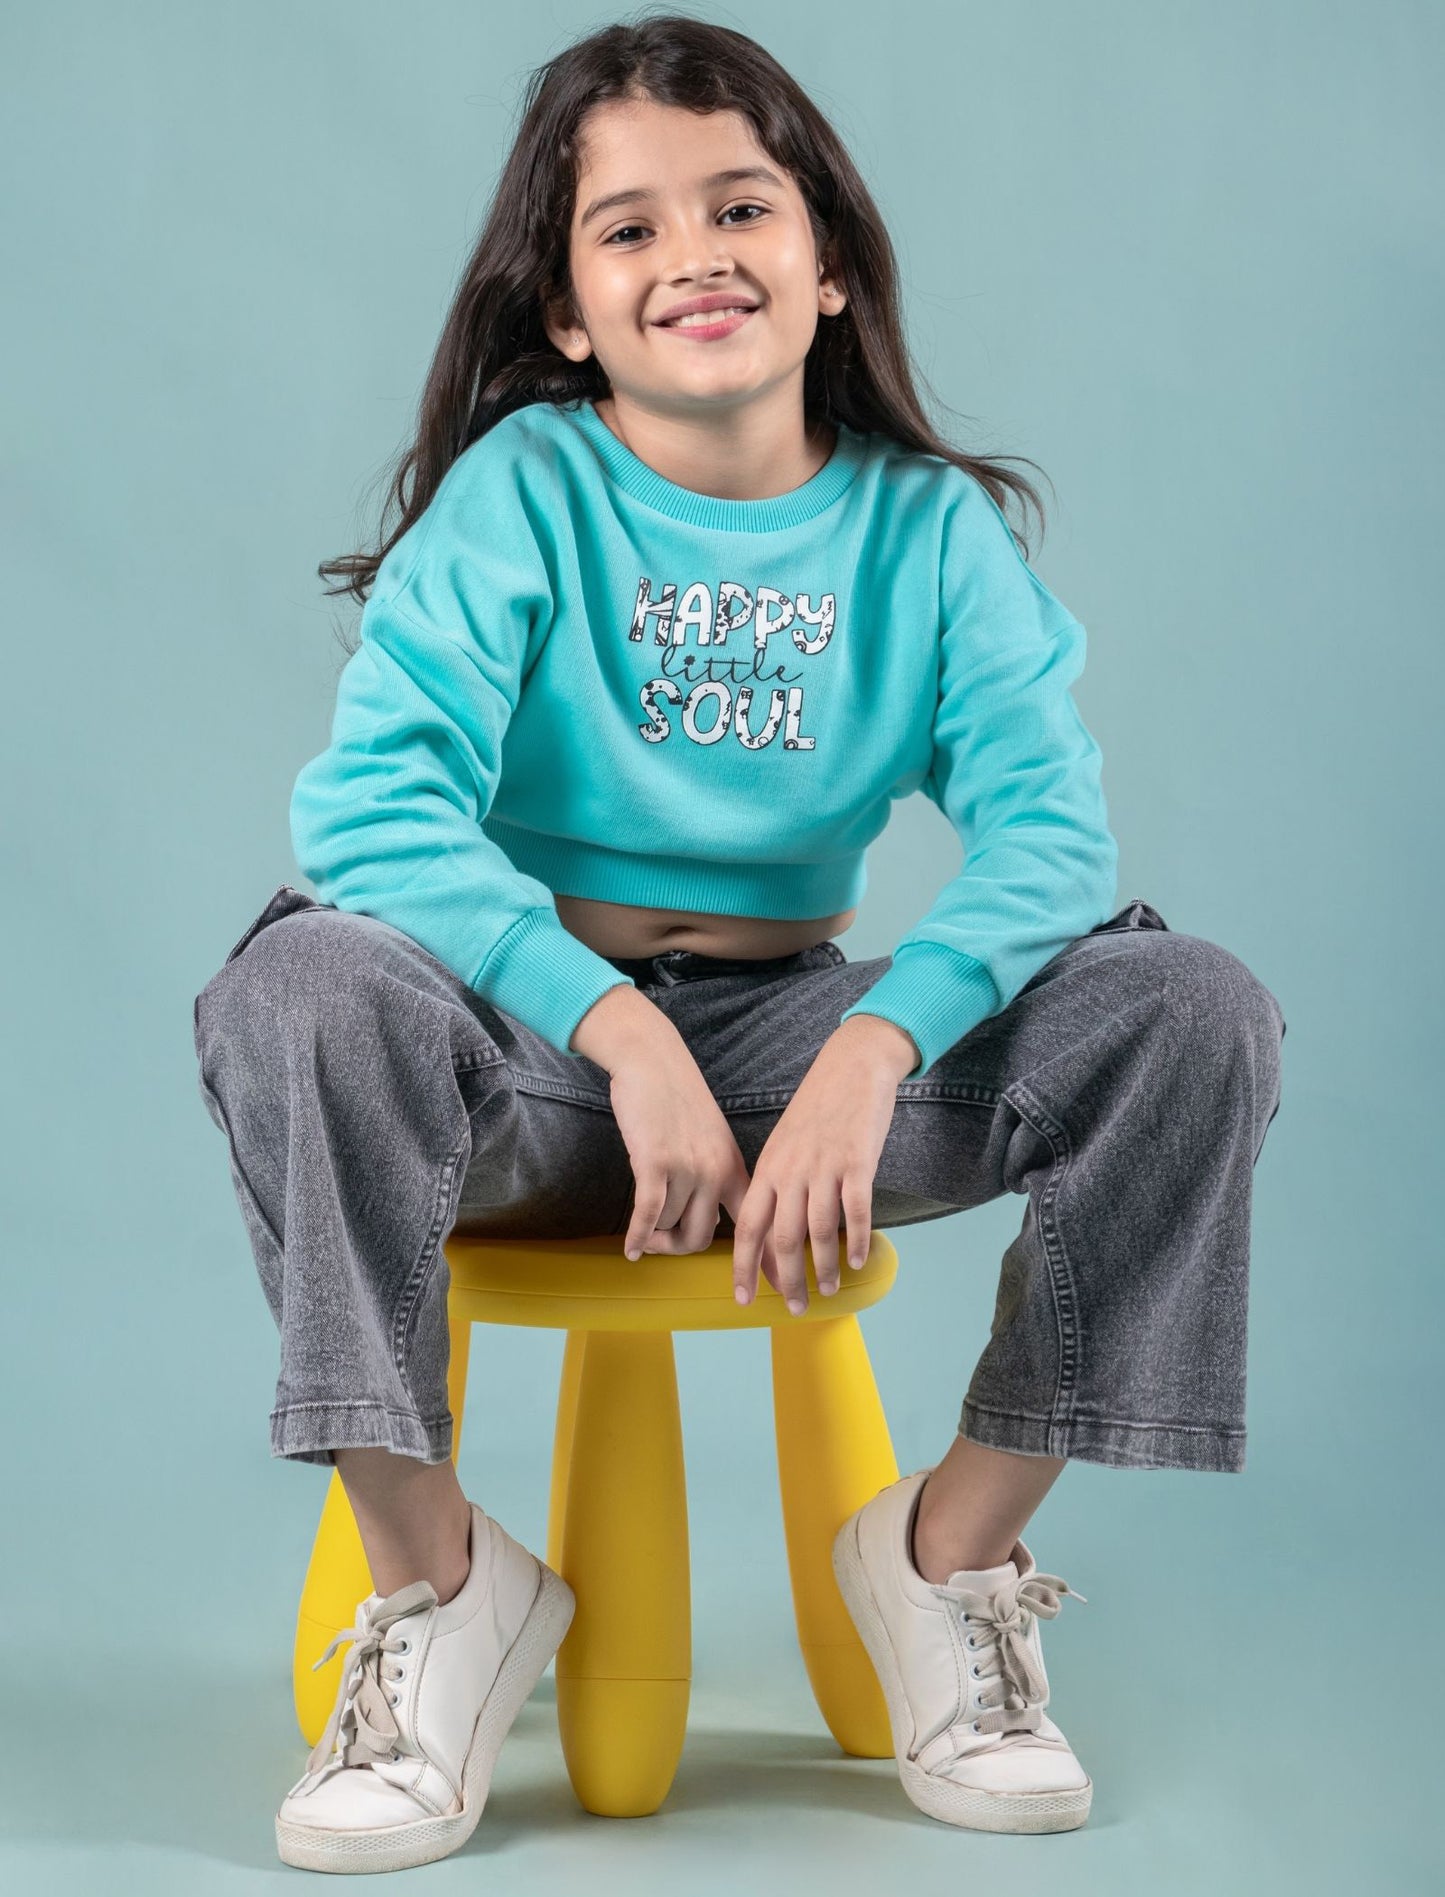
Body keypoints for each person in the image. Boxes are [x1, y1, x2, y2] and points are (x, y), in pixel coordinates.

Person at [191, 12, 1286, 1874]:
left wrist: (875, 1044)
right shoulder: (525, 494)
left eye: (740, 205)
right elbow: (370, 819)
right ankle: (438, 1584)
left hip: (795, 1059)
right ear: (566, 313)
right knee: (297, 982)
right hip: (521, 1065)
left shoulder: (927, 534)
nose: (691, 253)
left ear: (827, 260)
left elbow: (1049, 837)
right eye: (626, 228)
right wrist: (615, 1031)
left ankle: (944, 1554)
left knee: (1190, 1010)